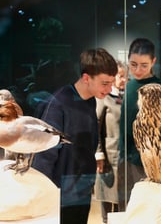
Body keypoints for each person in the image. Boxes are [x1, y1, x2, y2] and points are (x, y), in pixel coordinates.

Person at [32, 48, 118, 224]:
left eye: (111, 83)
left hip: (81, 188)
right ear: (86, 78)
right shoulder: (58, 104)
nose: (110, 89)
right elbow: (44, 156)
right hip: (60, 195)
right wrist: (43, 196)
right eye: (104, 83)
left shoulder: (90, 100)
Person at [117, 38, 161, 211]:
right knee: (128, 208)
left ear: (153, 62)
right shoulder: (129, 86)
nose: (137, 70)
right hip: (126, 157)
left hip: (152, 161)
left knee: (149, 208)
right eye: (133, 64)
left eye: (144, 65)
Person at [94, 60, 128, 224]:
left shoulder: (130, 97)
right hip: (109, 158)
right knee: (107, 200)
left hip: (127, 159)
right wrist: (99, 155)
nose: (123, 80)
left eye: (125, 76)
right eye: (120, 76)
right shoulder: (103, 98)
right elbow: (95, 127)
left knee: (125, 202)